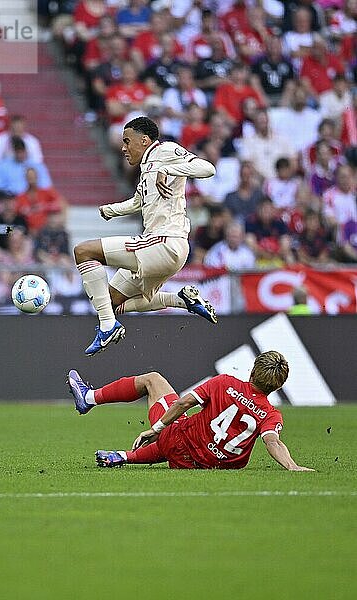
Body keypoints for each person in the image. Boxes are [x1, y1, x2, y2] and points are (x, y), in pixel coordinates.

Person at [73, 116, 217, 356]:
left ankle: (107, 327)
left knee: (84, 251)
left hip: (165, 242)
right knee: (109, 301)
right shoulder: (146, 167)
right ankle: (182, 300)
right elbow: (139, 201)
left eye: (127, 141)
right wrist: (112, 210)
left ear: (144, 140)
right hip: (165, 250)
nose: (123, 148)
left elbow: (207, 168)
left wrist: (168, 169)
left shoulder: (166, 150)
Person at [67, 351, 314, 471]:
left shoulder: (225, 383)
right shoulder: (271, 415)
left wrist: (155, 429)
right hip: (214, 465)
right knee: (188, 437)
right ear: (278, 385)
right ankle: (123, 456)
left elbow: (183, 404)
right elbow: (272, 442)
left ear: (252, 371)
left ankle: (88, 398)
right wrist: (291, 466)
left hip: (180, 446)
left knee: (153, 380)